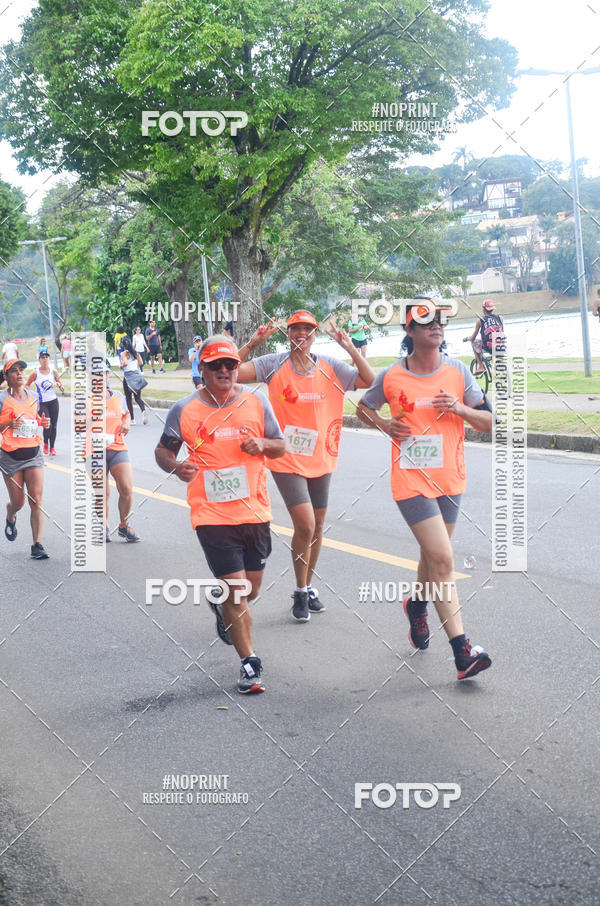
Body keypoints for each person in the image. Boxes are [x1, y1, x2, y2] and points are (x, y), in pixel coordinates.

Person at [356, 300, 493, 680]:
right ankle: (463, 653)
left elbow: (490, 423)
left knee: (433, 558)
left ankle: (418, 605)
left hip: (450, 479)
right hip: (411, 481)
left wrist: (460, 409)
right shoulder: (392, 376)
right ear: (410, 331)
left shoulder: (459, 372)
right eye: (425, 321)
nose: (436, 326)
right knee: (443, 559)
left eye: (439, 320)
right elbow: (362, 409)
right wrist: (385, 425)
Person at [155, 336, 285, 694]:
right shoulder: (183, 410)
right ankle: (249, 663)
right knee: (238, 590)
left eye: (230, 364)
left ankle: (221, 605)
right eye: (216, 365)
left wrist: (263, 445)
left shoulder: (256, 401)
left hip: (254, 510)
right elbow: (162, 452)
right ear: (204, 369)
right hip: (210, 515)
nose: (225, 370)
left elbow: (281, 445)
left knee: (250, 589)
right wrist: (175, 466)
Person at [237, 310, 375, 622]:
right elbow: (225, 373)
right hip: (285, 456)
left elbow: (370, 380)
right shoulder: (273, 363)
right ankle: (301, 589)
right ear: (288, 333)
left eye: (308, 330)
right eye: (296, 329)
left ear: (315, 334)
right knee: (306, 525)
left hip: (322, 455)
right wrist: (252, 343)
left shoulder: (331, 366)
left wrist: (351, 349)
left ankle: (306, 587)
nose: (301, 334)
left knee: (318, 526)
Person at [75, 360, 140, 543]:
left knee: (126, 489)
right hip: (93, 450)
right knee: (102, 492)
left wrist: (127, 422)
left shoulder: (118, 395)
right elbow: (78, 427)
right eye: (95, 374)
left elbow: (126, 413)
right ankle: (103, 527)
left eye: (103, 374)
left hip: (117, 446)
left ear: (107, 376)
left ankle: (123, 525)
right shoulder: (85, 400)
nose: (99, 377)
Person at [0, 358, 51, 559]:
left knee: (36, 500)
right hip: (10, 457)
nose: (20, 373)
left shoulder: (33, 396)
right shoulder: (2, 399)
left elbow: (34, 419)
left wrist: (43, 422)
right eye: (14, 371)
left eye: (21, 370)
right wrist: (9, 424)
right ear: (7, 376)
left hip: (33, 453)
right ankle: (11, 515)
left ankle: (37, 544)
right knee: (19, 502)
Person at [26, 351, 64, 455]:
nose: (45, 359)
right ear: (39, 360)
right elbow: (27, 385)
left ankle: (52, 447)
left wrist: (60, 386)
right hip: (42, 403)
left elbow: (59, 381)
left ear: (49, 359)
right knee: (47, 425)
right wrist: (33, 393)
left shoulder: (53, 371)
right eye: (42, 357)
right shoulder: (35, 373)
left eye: (47, 357)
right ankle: (45, 443)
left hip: (53, 401)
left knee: (54, 425)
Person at [464, 299, 505, 374]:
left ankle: (481, 366)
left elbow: (473, 338)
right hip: (500, 346)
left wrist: (467, 338)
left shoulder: (480, 321)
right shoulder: (500, 318)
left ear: (483, 309)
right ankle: (503, 372)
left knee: (474, 342)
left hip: (488, 347)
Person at [120, 349, 148, 425]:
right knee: (138, 397)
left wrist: (121, 365)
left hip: (128, 377)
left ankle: (132, 419)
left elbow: (125, 363)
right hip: (136, 375)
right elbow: (141, 363)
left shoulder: (124, 353)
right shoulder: (136, 352)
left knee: (128, 399)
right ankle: (143, 411)